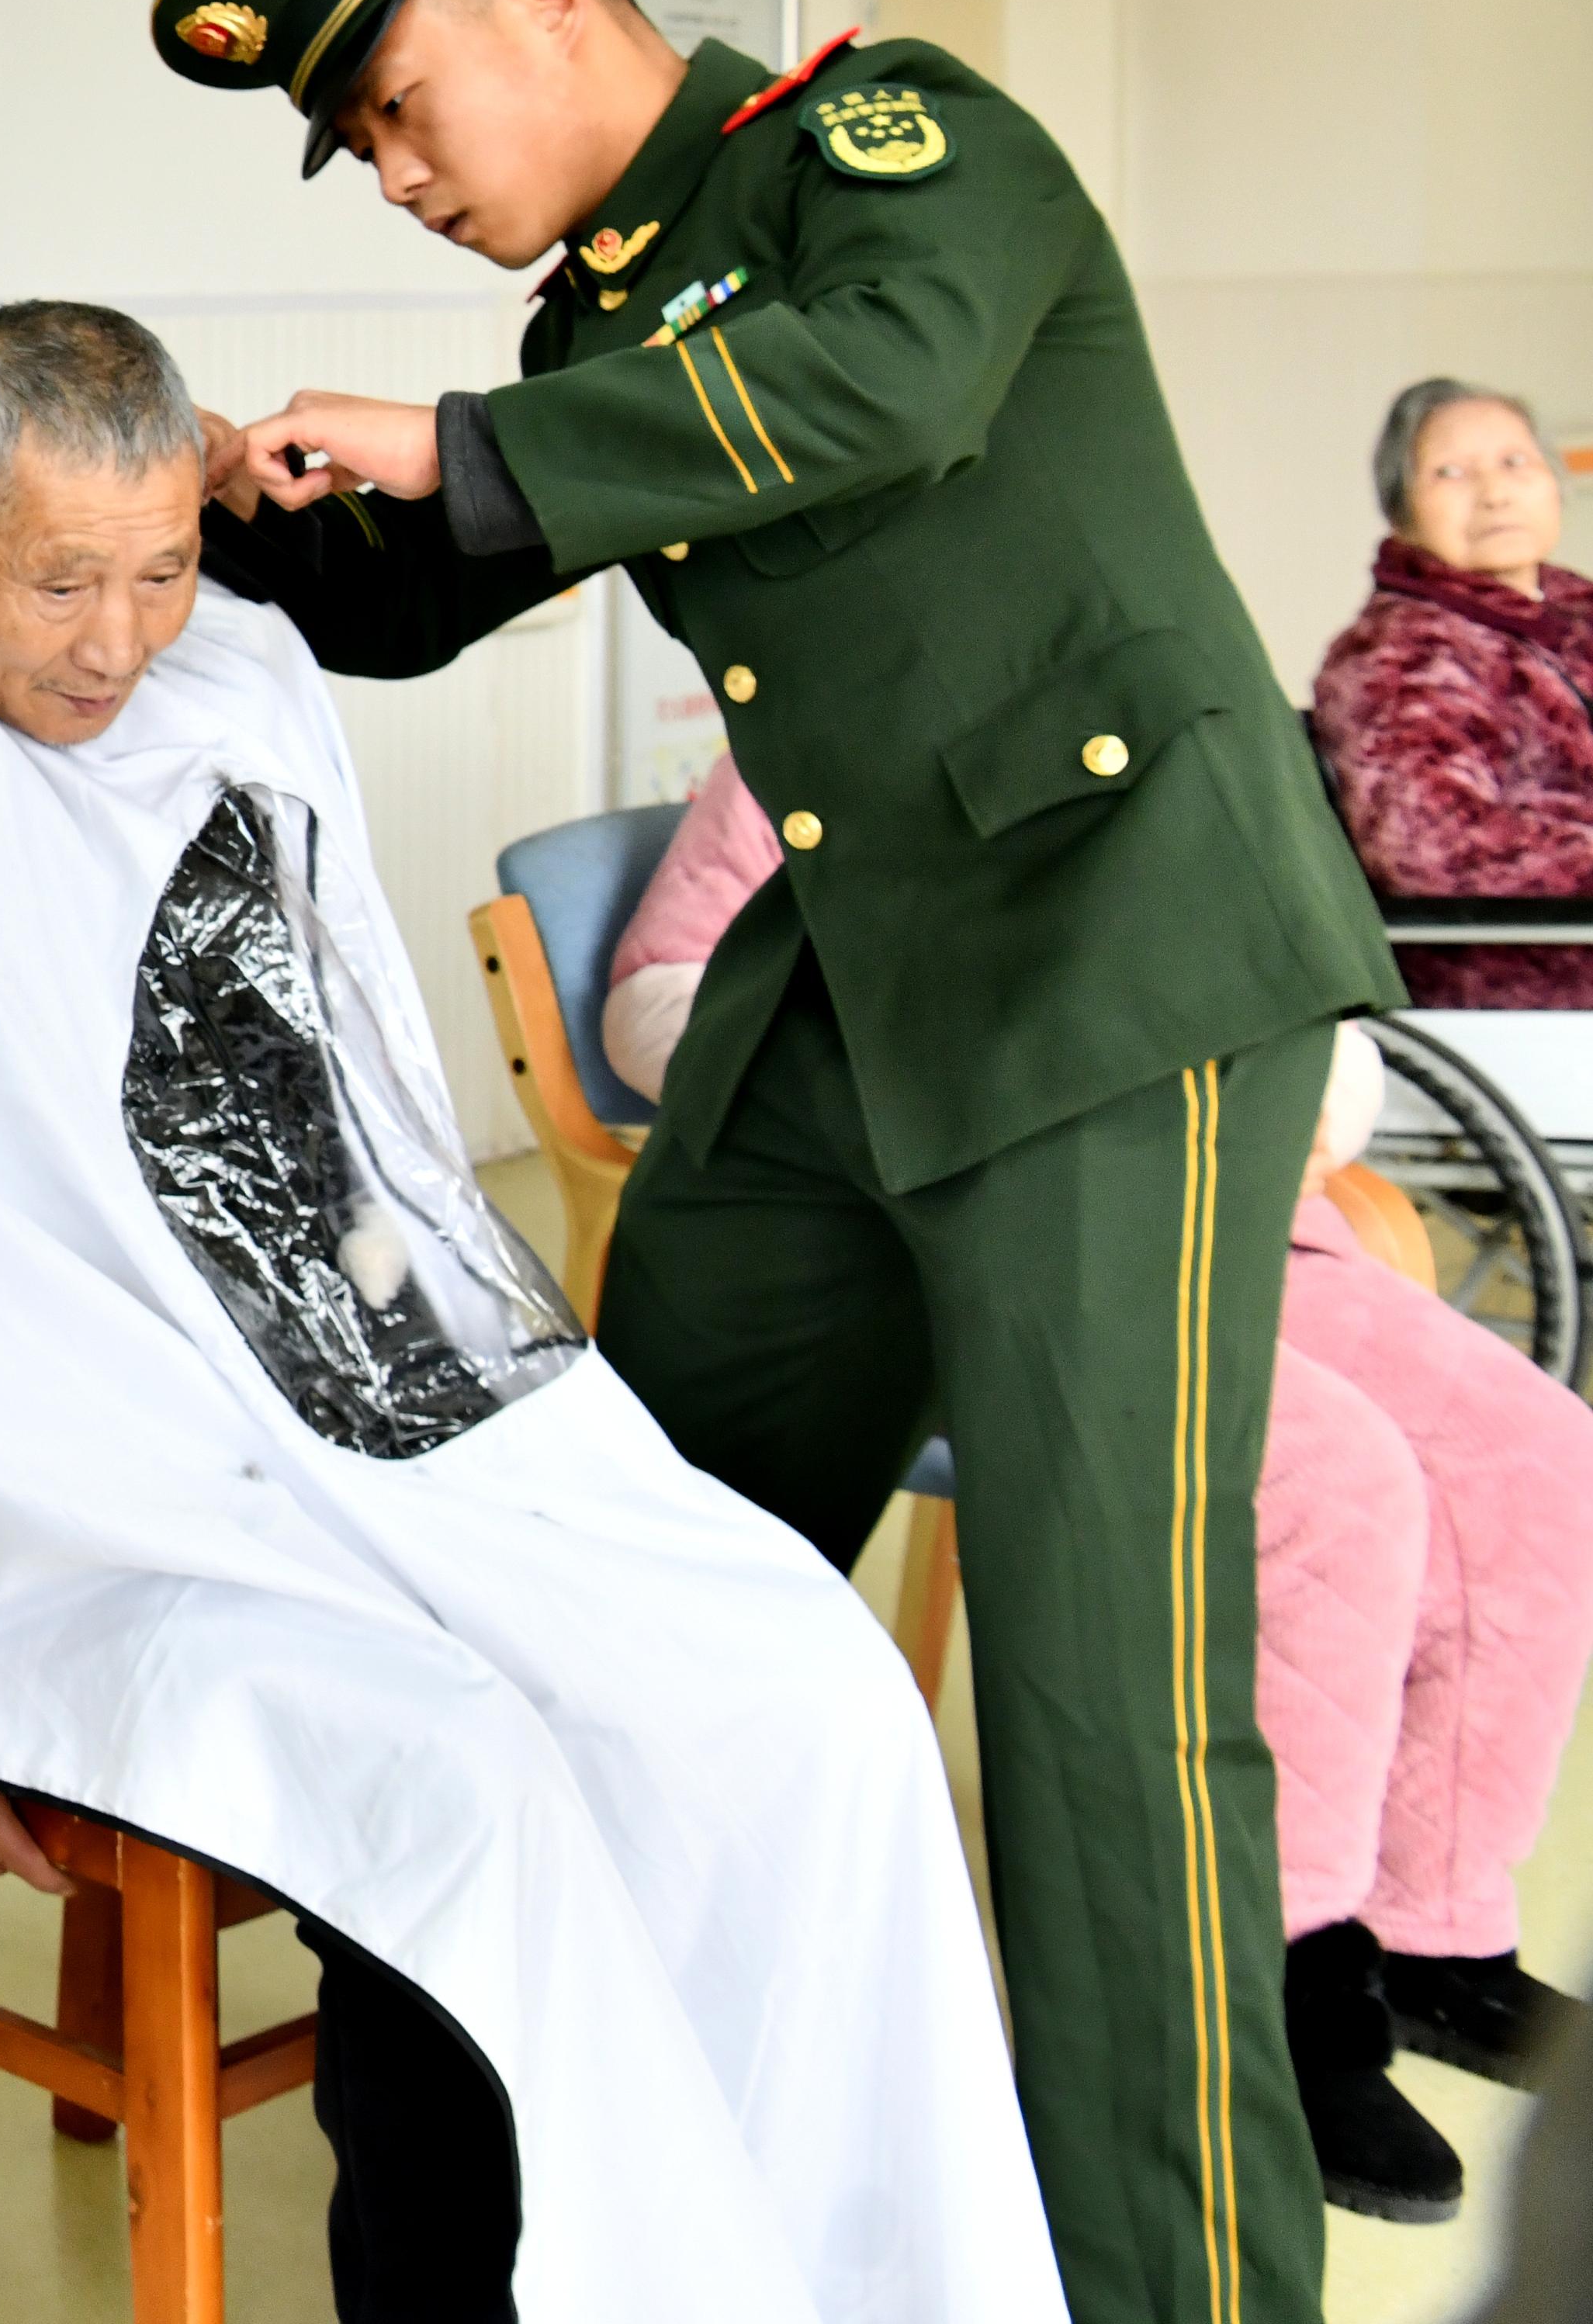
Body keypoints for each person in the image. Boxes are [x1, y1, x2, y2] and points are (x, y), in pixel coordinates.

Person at [0, 302, 1063, 2324]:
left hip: (345, 1410)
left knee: (809, 1695)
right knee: (463, 1782)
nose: (116, 646)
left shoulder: (227, 688)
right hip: (21, 1519)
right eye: (60, 581)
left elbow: (351, 1141)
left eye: (162, 572)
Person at [162, 0, 1401, 2324]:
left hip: (1116, 966)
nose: (398, 176)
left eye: (398, 105)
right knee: (607, 1589)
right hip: (842, 1004)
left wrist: (463, 442)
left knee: (1101, 1733)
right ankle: (535, 2224)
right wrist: (228, 510)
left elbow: (889, 384)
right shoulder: (594, 328)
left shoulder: (895, 148)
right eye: (364, 146)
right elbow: (424, 587)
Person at [614, 767, 1593, 2224]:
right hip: (977, 1251)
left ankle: (1431, 1929)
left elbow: (1320, 1000)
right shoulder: (795, 743)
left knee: (1538, 1461)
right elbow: (659, 1007)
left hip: (1235, 1209)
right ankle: (1279, 1989)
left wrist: (1301, 1081)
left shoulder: (1168, 734)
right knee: (1337, 1488)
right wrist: (944, 1066)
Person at [1315, 378, 1593, 1006]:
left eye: (1514, 462)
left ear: (1554, 484)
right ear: (1402, 512)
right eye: (1451, 473)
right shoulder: (1399, 657)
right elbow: (1429, 844)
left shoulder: (1573, 617)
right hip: (1524, 995)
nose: (1494, 493)